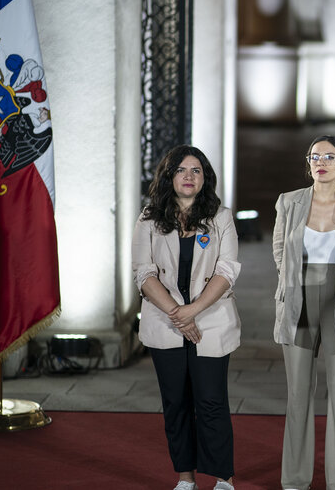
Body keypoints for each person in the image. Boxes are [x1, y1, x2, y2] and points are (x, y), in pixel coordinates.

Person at [132, 145, 241, 490]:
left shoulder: (220, 216)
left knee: (211, 402)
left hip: (210, 320)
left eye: (196, 170)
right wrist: (177, 314)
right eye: (181, 170)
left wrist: (192, 312)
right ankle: (186, 477)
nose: (189, 176)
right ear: (169, 176)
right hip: (165, 322)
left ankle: (223, 478)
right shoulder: (149, 218)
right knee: (176, 403)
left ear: (205, 177)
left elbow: (227, 269)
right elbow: (143, 271)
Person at [272, 136, 335, 490]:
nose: (321, 162)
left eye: (330, 156)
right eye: (315, 156)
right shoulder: (289, 201)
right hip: (298, 298)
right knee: (298, 394)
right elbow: (280, 248)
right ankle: (295, 480)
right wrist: (290, 282)